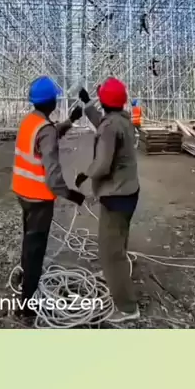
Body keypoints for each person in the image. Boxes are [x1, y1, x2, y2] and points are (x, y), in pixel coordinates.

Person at [12, 76, 84, 317]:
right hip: (38, 199)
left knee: (29, 239)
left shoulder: (30, 122)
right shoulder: (45, 130)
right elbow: (53, 177)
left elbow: (48, 134)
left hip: (22, 192)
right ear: (52, 102)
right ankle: (27, 304)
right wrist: (72, 195)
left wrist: (71, 121)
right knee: (36, 248)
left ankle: (24, 276)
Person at [76, 80, 140, 323]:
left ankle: (127, 307)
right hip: (128, 192)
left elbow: (103, 164)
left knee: (110, 252)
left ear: (104, 101)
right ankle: (115, 276)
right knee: (118, 241)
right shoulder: (122, 120)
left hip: (116, 195)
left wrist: (86, 173)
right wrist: (87, 104)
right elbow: (103, 124)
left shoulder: (110, 127)